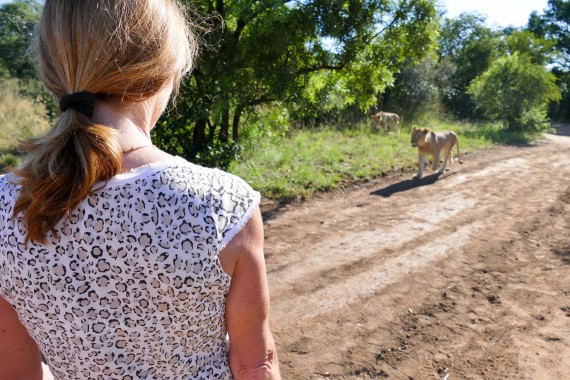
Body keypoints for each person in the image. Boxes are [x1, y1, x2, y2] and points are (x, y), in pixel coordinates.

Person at [0, 0, 280, 379]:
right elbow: (254, 365)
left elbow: (17, 373)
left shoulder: (6, 208)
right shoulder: (221, 204)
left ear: (53, 70)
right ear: (162, 72)